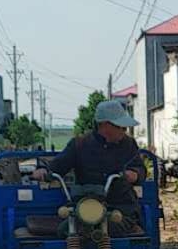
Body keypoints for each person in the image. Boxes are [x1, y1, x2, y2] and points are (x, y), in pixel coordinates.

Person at [32, 99, 146, 234]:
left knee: (114, 227)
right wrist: (44, 171)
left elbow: (140, 168)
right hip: (86, 206)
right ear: (105, 125)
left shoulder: (129, 144)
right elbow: (58, 166)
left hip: (120, 208)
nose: (124, 131)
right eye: (121, 127)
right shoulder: (80, 144)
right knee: (67, 230)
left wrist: (135, 174)